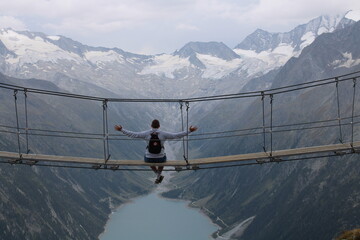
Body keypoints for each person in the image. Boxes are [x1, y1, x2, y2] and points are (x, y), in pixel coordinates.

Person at [114, 119, 198, 184]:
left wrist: (121, 130)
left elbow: (133, 134)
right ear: (159, 126)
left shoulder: (146, 133)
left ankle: (157, 174)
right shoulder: (163, 134)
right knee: (162, 159)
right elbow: (177, 135)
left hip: (149, 159)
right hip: (160, 158)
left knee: (148, 158)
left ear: (151, 126)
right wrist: (190, 131)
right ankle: (158, 174)